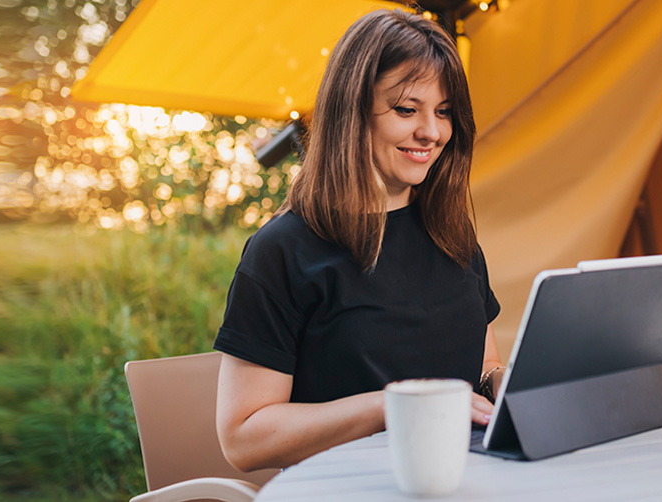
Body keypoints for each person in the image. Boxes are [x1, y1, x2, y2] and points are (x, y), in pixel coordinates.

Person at [213, 9, 504, 472]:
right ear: (351, 110)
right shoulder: (282, 251)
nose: (432, 132)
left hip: (461, 476)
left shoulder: (452, 235)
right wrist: (390, 408)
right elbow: (243, 438)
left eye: (444, 112)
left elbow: (483, 358)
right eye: (407, 109)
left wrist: (501, 381)